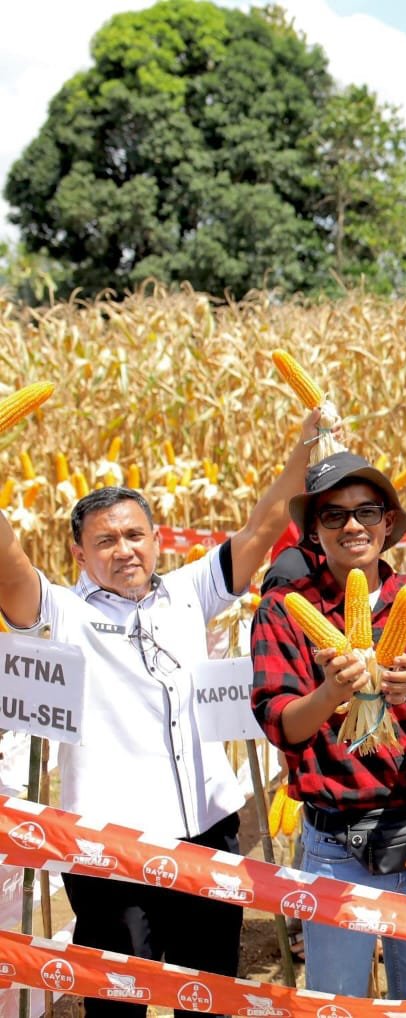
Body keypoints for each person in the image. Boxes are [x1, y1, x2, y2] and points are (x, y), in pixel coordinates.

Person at [0, 412, 319, 1018]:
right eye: (105, 541)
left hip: (207, 832)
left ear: (155, 538)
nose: (124, 550)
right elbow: (9, 562)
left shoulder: (191, 591)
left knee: (211, 991)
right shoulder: (62, 612)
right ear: (78, 553)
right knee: (118, 1001)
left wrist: (306, 447)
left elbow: (263, 524)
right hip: (109, 846)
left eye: (134, 535)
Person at [251, 452, 406, 999]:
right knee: (337, 998)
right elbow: (280, 723)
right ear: (314, 532)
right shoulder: (284, 609)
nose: (352, 526)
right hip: (335, 843)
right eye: (334, 515)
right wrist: (331, 693)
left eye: (366, 512)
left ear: (387, 523)